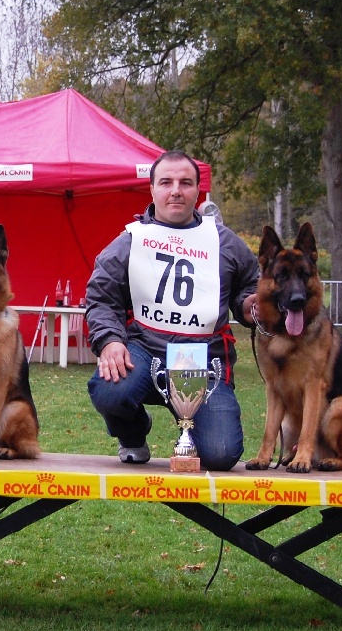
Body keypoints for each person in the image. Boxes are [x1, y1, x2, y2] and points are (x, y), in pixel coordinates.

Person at [85, 150, 258, 469]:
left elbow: (250, 286)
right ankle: (134, 433)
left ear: (197, 190)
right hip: (145, 349)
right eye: (166, 182)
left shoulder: (224, 241)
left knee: (220, 454)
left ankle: (192, 429)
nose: (176, 190)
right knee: (109, 391)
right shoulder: (131, 240)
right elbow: (101, 296)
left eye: (185, 183)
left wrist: (251, 306)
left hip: (202, 357)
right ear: (151, 189)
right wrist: (110, 340)